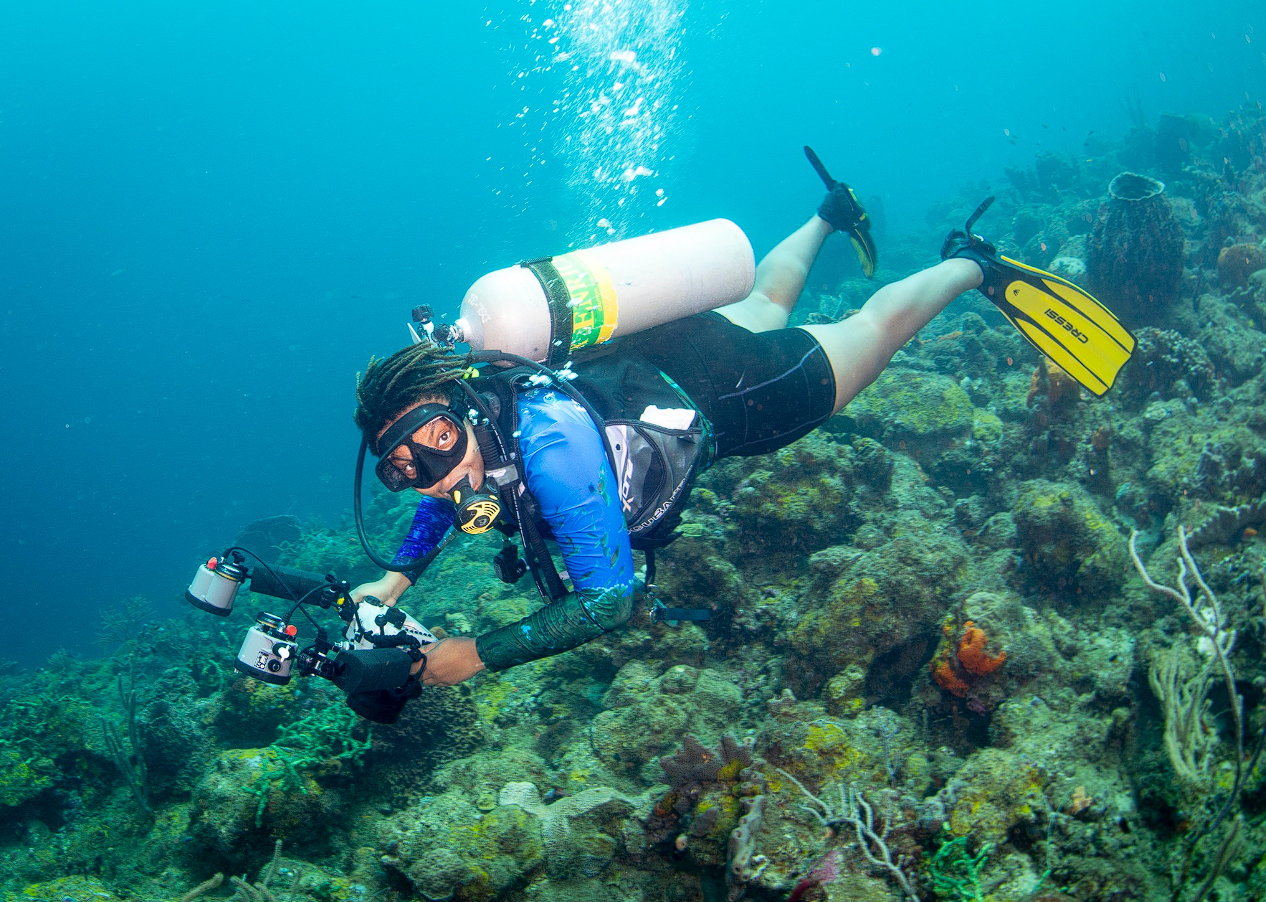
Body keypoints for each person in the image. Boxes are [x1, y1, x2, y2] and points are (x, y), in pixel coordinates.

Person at [348, 182, 1134, 688]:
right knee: (763, 302)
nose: (432, 474)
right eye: (402, 469)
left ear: (461, 405)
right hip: (671, 348)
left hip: (748, 393)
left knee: (874, 328)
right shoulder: (492, 399)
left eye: (437, 441)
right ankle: (830, 213)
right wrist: (394, 583)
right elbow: (451, 492)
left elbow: (608, 602)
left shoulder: (552, 444)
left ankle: (972, 265)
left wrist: (472, 655)